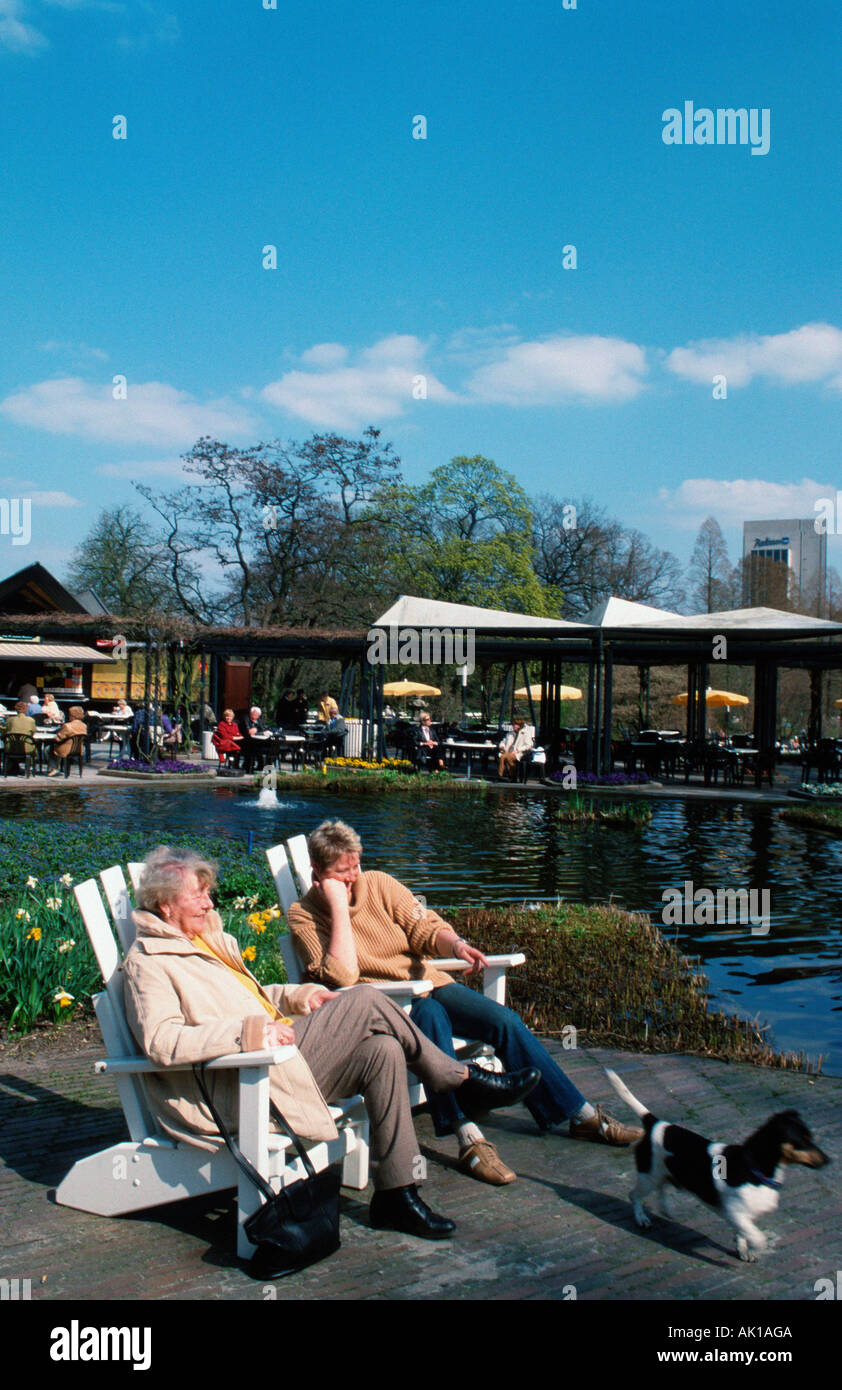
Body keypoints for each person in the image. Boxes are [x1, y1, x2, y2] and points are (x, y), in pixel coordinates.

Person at [121, 846, 541, 1240]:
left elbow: (249, 997)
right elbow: (162, 1041)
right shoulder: (149, 963)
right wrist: (249, 1033)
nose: (211, 903)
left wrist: (302, 995)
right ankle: (459, 1079)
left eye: (209, 893)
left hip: (279, 1063)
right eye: (200, 895)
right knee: (364, 998)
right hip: (240, 1086)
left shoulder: (208, 943)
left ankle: (397, 1195)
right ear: (165, 905)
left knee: (383, 1051)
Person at [288, 821, 643, 1188]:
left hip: (430, 983)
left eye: (356, 866)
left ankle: (579, 1115)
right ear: (317, 872)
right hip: (386, 1008)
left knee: (503, 1021)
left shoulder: (378, 883)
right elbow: (341, 978)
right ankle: (468, 1137)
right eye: (341, 873)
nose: (353, 878)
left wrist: (454, 945)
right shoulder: (303, 915)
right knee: (431, 1016)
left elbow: (422, 926)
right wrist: (339, 907)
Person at [48, 705, 87, 775]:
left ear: (72, 715)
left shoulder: (67, 726)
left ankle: (54, 768)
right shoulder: (84, 725)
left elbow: (58, 738)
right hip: (79, 749)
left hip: (66, 749)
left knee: (48, 749)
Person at [3, 700, 37, 773]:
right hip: (26, 747)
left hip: (10, 747)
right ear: (26, 710)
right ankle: (30, 766)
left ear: (16, 709)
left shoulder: (10, 720)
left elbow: (4, 731)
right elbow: (33, 732)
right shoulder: (31, 720)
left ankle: (11, 766)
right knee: (35, 747)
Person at [498, 715, 534, 781]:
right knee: (504, 757)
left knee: (505, 757)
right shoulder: (510, 733)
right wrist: (502, 745)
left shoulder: (526, 733)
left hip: (519, 753)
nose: (514, 726)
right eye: (514, 724)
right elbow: (503, 741)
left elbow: (529, 745)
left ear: (520, 725)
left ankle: (502, 775)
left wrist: (518, 750)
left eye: (516, 725)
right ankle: (511, 776)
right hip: (508, 751)